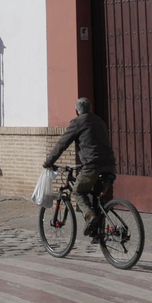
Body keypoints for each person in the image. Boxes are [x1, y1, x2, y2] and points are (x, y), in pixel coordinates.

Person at [43, 96, 117, 240]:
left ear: (77, 111)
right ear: (90, 109)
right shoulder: (99, 121)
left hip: (92, 166)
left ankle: (89, 216)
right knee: (97, 198)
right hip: (110, 166)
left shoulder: (77, 122)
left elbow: (62, 144)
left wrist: (49, 162)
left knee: (78, 191)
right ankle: (98, 233)